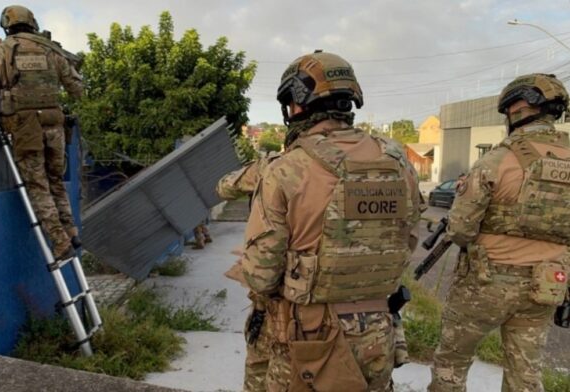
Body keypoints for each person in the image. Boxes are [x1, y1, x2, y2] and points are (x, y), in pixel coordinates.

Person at [242, 50, 422, 392]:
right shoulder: (399, 161)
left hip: (309, 339)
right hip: (378, 333)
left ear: (296, 104)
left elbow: (261, 275)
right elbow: (407, 240)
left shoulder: (285, 170)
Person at [428, 73, 570, 392]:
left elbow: (462, 229)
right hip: (545, 285)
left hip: (487, 282)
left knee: (452, 363)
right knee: (526, 373)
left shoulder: (498, 158)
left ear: (518, 108)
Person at [0, 5, 83, 261]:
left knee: (38, 184)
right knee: (56, 180)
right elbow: (77, 89)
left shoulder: (2, 50)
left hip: (25, 125)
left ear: (6, 23)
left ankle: (61, 242)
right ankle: (71, 230)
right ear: (32, 23)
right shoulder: (52, 50)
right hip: (54, 123)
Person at [217, 152, 281, 392]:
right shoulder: (390, 163)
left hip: (282, 315)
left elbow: (225, 187)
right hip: (367, 325)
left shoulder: (277, 166)